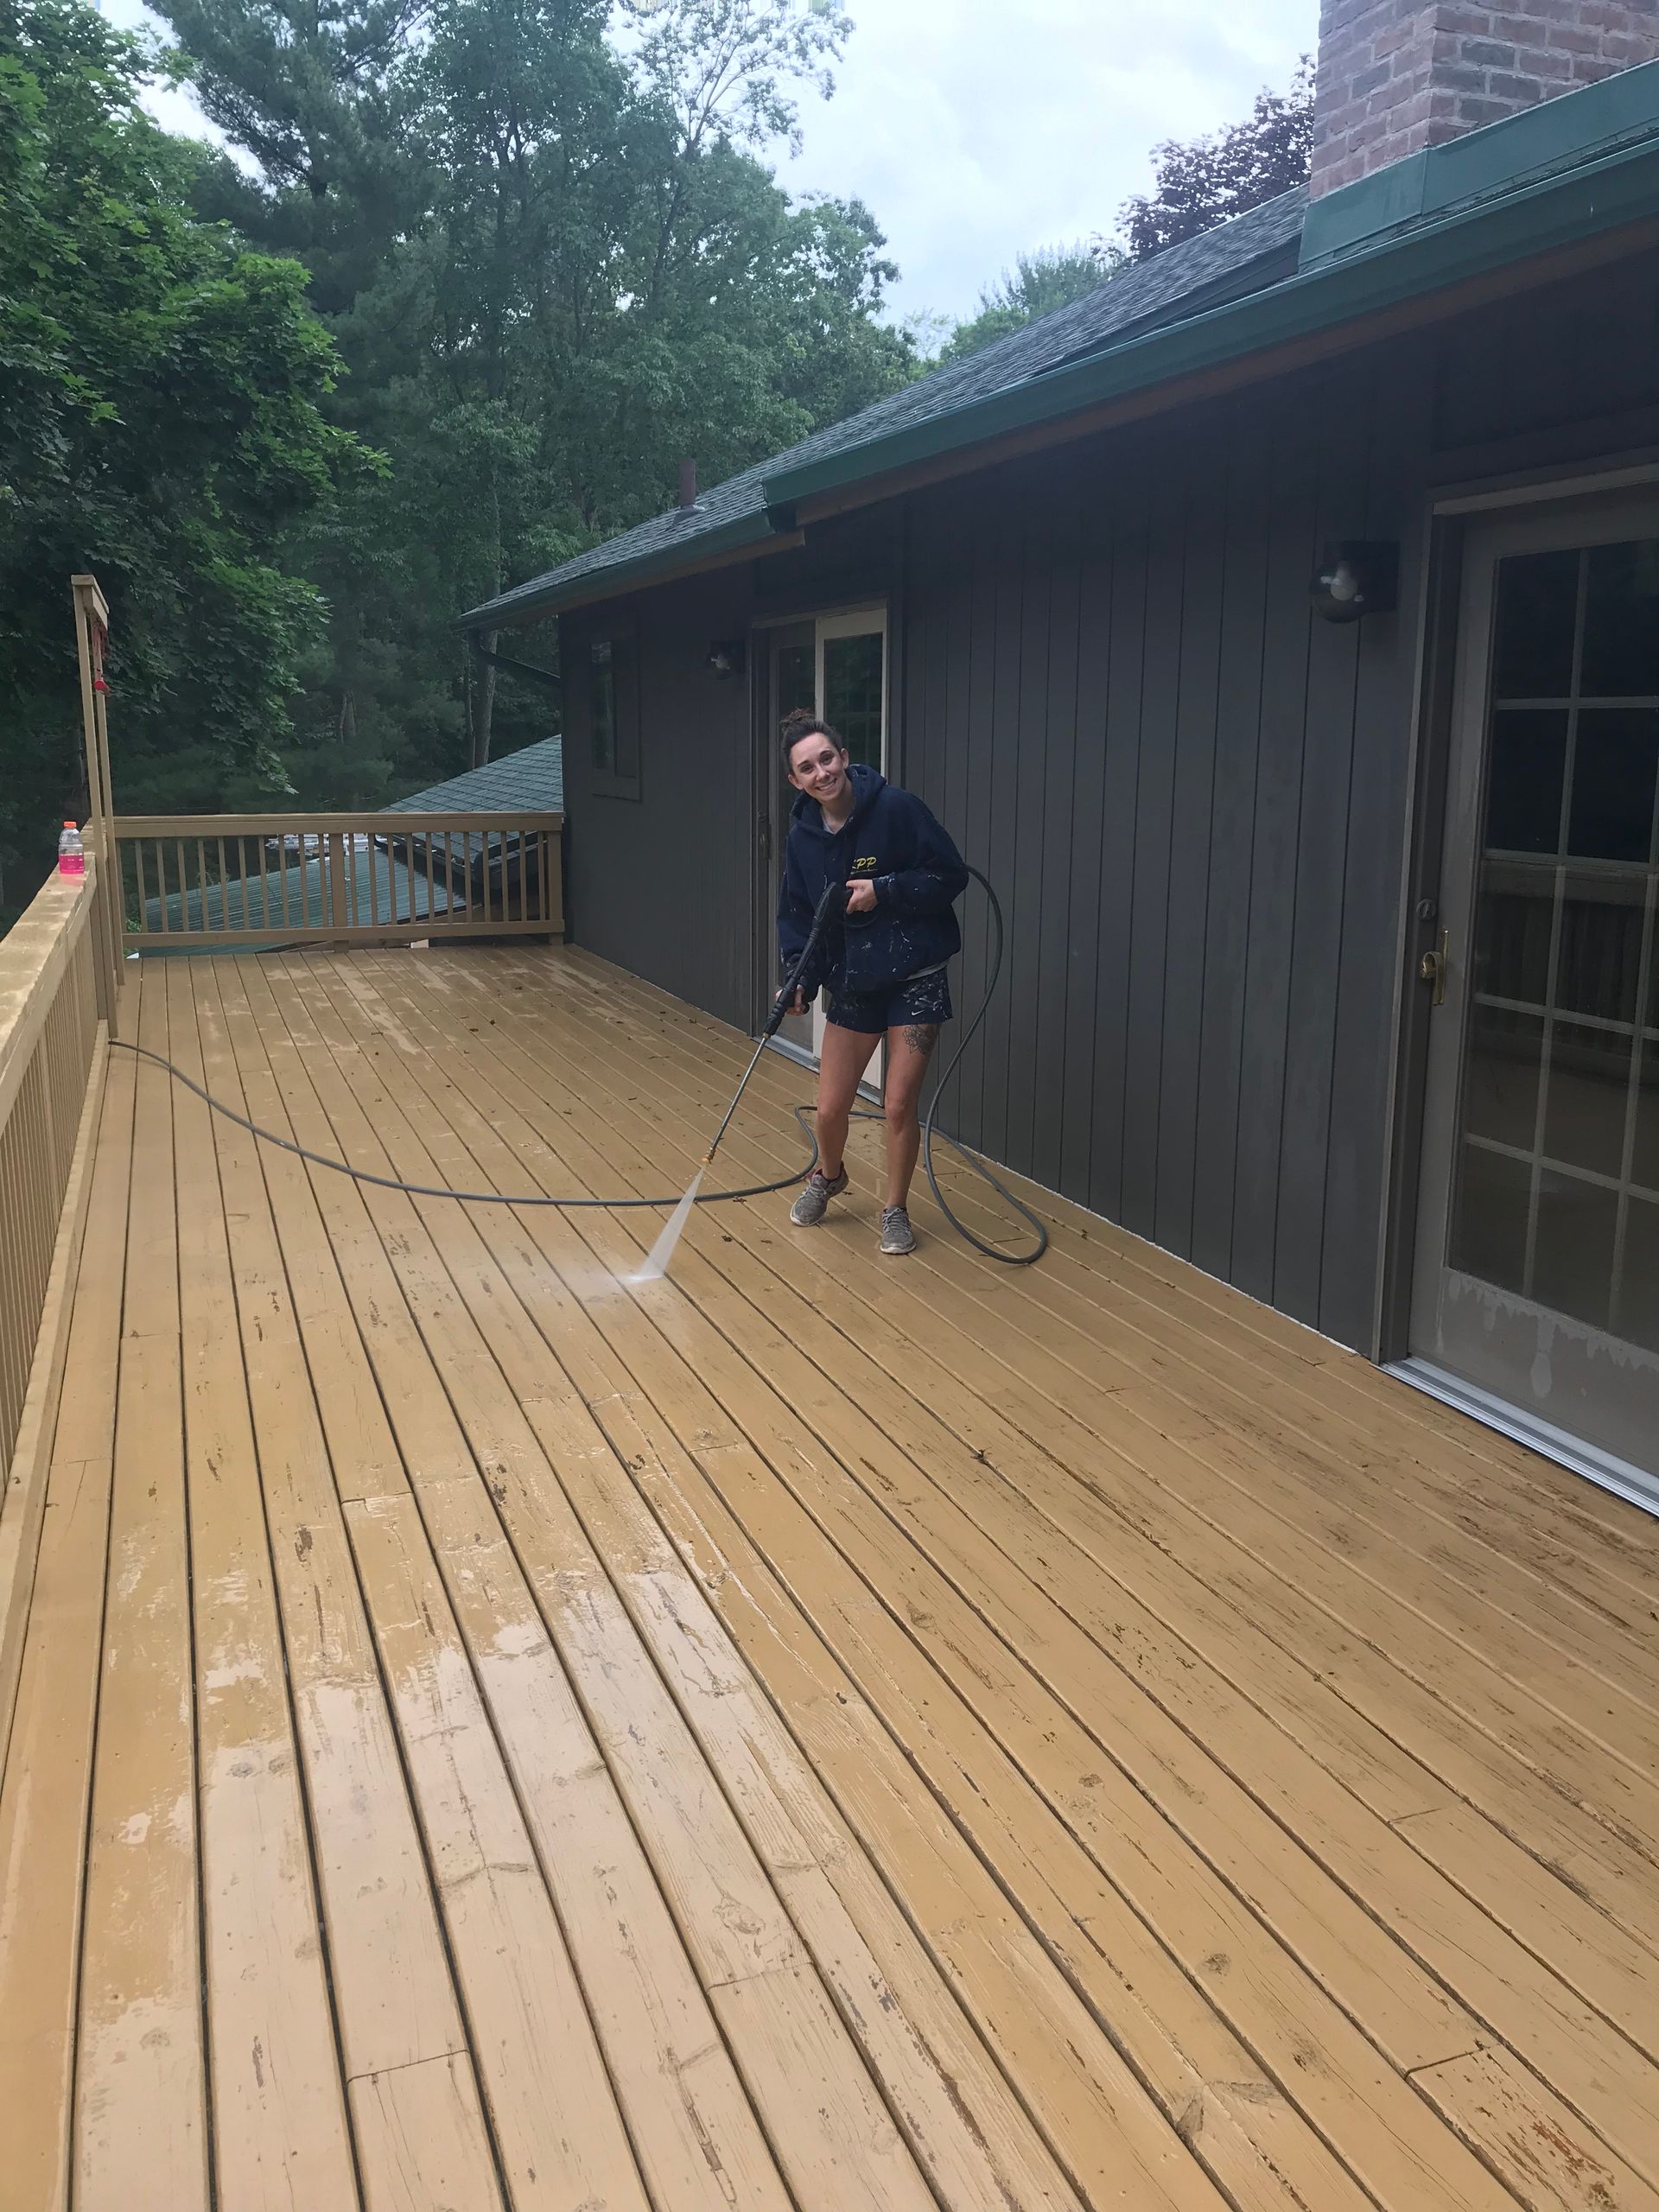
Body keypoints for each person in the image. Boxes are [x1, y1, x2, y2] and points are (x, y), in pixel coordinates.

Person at [776, 708, 968, 1255]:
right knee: (831, 1108)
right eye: (807, 767)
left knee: (898, 1105)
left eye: (827, 758)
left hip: (915, 974)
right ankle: (829, 1175)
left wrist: (883, 890)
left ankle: (895, 1209)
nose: (821, 773)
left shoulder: (897, 809)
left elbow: (948, 875)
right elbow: (799, 919)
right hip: (854, 979)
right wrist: (797, 980)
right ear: (796, 781)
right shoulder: (803, 840)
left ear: (844, 757)